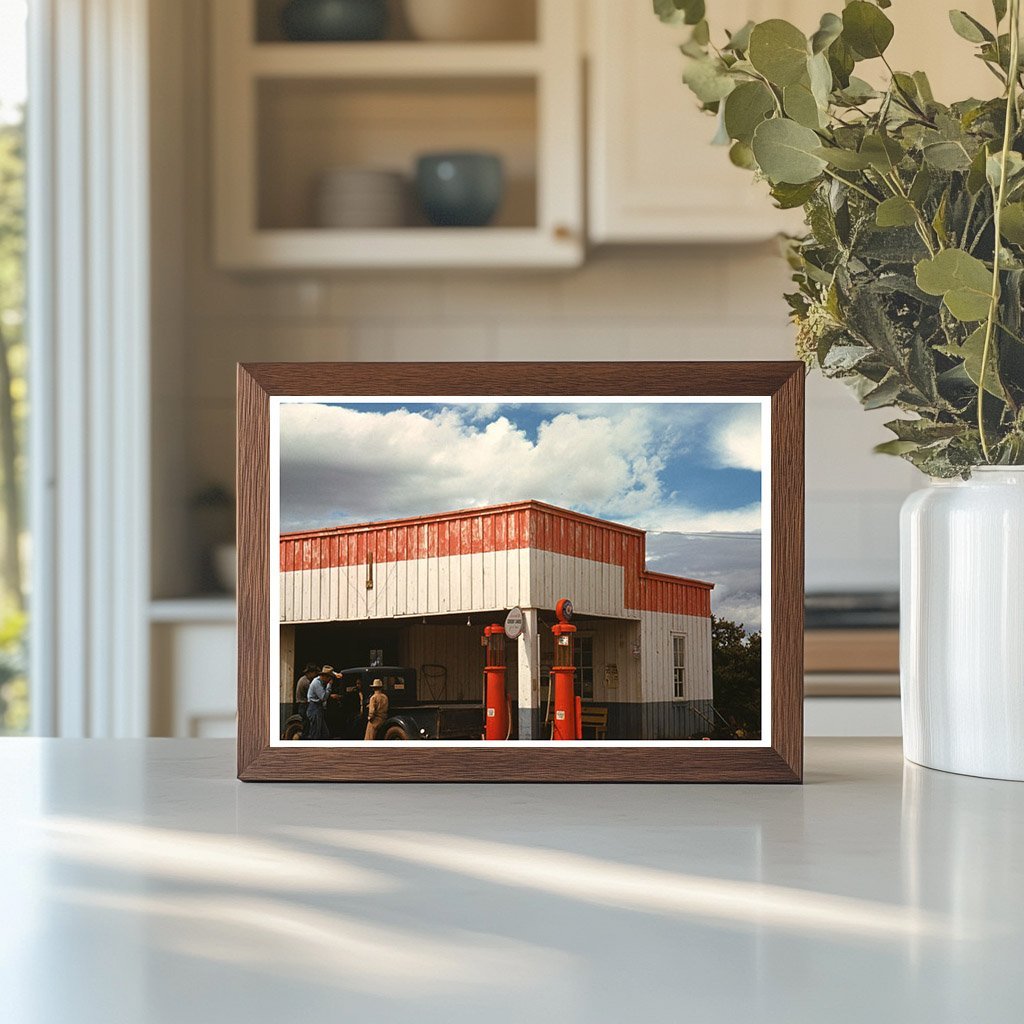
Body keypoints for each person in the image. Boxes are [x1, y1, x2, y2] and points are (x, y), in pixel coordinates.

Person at [305, 665, 334, 741]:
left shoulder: (320, 682)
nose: (329, 680)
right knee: (315, 734)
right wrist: (329, 685)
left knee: (325, 733)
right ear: (324, 676)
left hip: (318, 708)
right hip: (314, 708)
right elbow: (323, 697)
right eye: (329, 678)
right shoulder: (317, 683)